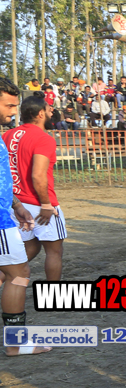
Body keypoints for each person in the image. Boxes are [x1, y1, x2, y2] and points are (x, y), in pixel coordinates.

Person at [0, 82, 49, 356]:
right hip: (0, 223)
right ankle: (15, 344)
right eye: (8, 105)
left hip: (6, 214)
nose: (13, 111)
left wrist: (17, 205)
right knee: (18, 275)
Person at [4, 95, 67, 280]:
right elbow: (38, 175)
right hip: (39, 204)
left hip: (14, 204)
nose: (51, 113)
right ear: (40, 114)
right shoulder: (43, 138)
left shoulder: (7, 135)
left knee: (29, 248)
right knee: (54, 251)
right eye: (48, 110)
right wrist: (46, 204)